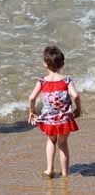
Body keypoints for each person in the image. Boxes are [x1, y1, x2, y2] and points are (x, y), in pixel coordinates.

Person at [28, 46, 81, 178]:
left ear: (45, 64)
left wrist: (32, 111)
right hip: (64, 119)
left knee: (51, 141)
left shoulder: (41, 81)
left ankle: (49, 169)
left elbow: (31, 98)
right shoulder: (67, 80)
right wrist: (78, 109)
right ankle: (65, 173)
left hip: (49, 120)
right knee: (63, 144)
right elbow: (75, 96)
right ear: (62, 64)